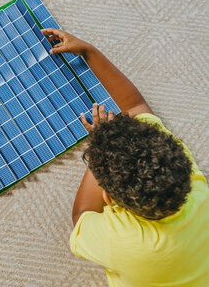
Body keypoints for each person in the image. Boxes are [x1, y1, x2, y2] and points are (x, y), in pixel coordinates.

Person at [42, 28, 209, 286]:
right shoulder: (197, 190)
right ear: (180, 159)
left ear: (108, 198)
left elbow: (82, 215)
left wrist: (102, 144)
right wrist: (88, 52)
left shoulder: (122, 242)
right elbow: (135, 107)